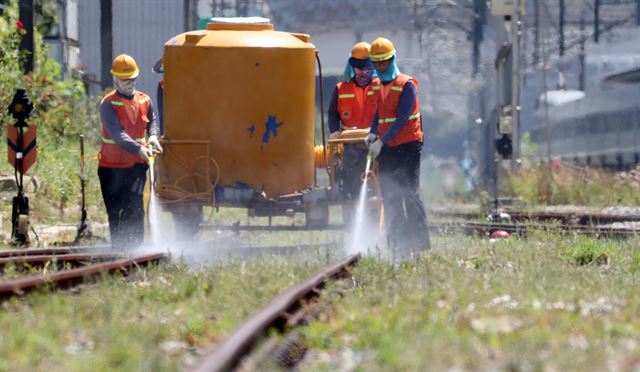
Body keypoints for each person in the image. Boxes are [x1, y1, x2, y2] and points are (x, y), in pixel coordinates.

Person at [365, 37, 431, 253]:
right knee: (390, 196)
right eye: (377, 63)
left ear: (392, 59)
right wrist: (373, 132)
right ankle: (398, 245)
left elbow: (402, 117)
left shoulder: (407, 84)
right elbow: (379, 112)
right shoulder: (376, 85)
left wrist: (382, 140)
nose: (381, 66)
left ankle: (421, 245)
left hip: (408, 145)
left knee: (410, 194)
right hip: (387, 147)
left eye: (384, 61)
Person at [98, 54, 163, 248]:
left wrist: (152, 136)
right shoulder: (108, 104)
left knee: (134, 207)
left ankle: (136, 251)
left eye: (131, 79)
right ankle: (118, 251)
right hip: (111, 168)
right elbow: (118, 135)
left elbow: (152, 121)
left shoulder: (145, 100)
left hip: (136, 167)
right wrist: (139, 149)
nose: (129, 83)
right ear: (116, 79)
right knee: (115, 210)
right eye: (124, 80)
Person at [328, 42, 381, 222]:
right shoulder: (341, 88)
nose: (362, 74)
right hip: (351, 147)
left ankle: (379, 218)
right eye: (358, 69)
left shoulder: (381, 86)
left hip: (377, 144)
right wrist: (335, 131)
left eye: (366, 69)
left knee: (379, 182)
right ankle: (352, 221)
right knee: (351, 184)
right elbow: (333, 114)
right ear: (352, 67)